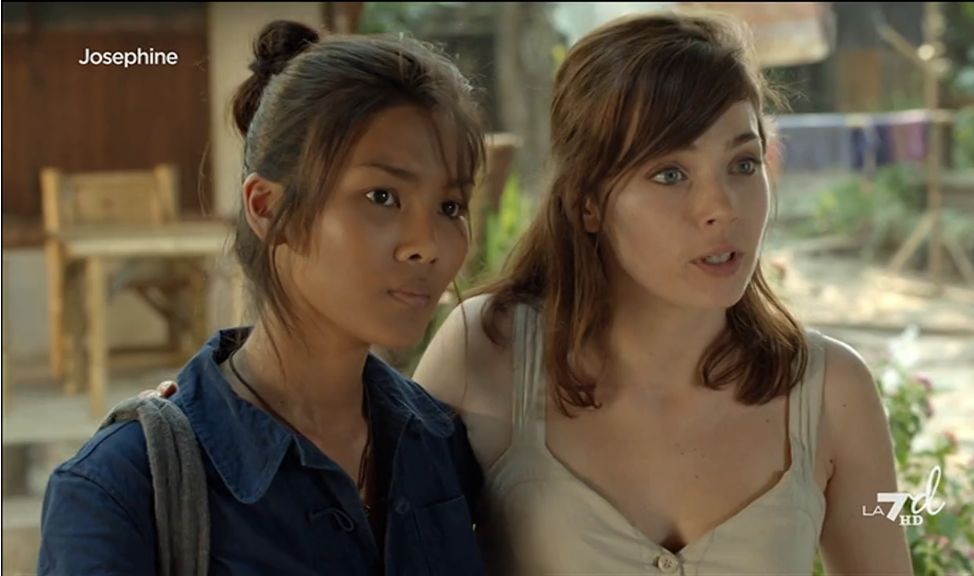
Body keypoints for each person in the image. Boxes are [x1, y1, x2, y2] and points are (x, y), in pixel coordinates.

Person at [414, 11, 914, 576]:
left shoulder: (832, 391)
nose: (722, 208)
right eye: (670, 174)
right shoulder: (487, 353)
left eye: (743, 163)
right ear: (587, 203)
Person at [37, 20, 487, 576]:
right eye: (382, 196)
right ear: (268, 209)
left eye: (450, 207)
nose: (428, 245)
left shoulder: (440, 444)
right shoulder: (122, 489)